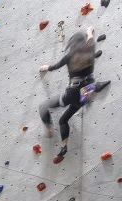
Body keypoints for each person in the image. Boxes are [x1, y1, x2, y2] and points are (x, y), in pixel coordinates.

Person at [40, 27, 109, 160]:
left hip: (73, 92)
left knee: (43, 107)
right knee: (63, 120)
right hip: (87, 94)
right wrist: (89, 31)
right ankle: (64, 145)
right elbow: (90, 37)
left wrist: (44, 68)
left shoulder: (70, 56)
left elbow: (54, 67)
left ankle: (49, 129)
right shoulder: (90, 47)